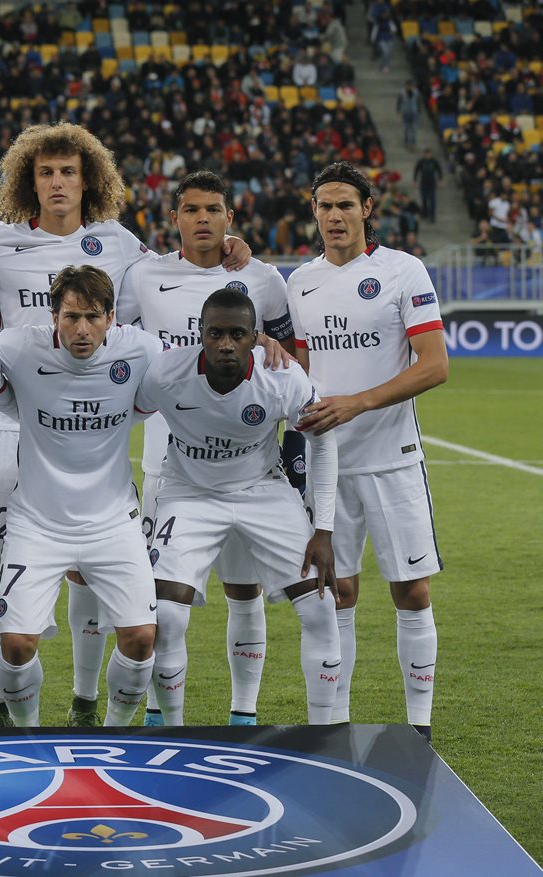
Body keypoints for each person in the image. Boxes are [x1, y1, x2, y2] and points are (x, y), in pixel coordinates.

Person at [0, 123, 250, 728]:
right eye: (46, 172)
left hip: (96, 424)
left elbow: (169, 294)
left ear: (88, 178)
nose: (58, 183)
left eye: (68, 171)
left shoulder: (120, 245)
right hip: (23, 424)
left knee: (91, 579)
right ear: (27, 180)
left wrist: (228, 251)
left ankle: (87, 700)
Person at [117, 170, 297, 727]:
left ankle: (243, 714)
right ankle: (157, 712)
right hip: (167, 463)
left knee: (243, 591)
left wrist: (267, 342)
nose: (203, 220)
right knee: (163, 600)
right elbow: (115, 339)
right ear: (174, 218)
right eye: (191, 210)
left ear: (229, 217)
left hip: (247, 462)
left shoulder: (263, 279)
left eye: (213, 209)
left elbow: (289, 362)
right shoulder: (145, 275)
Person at [289, 161, 448, 741]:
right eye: (325, 206)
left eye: (345, 206)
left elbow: (435, 366)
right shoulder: (300, 281)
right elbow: (302, 369)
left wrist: (357, 402)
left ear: (367, 209)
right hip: (327, 464)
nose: (335, 216)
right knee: (336, 591)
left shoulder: (403, 272)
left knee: (411, 589)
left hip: (393, 458)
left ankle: (419, 728)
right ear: (314, 213)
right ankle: (334, 728)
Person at [136, 289, 342, 725]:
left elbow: (322, 443)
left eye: (236, 334)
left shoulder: (283, 377)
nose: (225, 344)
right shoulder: (165, 374)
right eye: (215, 334)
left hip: (262, 490)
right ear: (201, 334)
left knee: (322, 607)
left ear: (255, 337)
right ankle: (169, 732)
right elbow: (117, 419)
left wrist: (322, 528)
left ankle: (325, 737)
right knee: (166, 617)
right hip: (187, 491)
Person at [0, 265, 166, 728]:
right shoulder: (18, 348)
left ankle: (112, 734)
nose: (81, 330)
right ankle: (29, 738)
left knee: (142, 637)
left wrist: (264, 342)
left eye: (92, 317)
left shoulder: (142, 350)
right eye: (70, 317)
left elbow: (198, 364)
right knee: (16, 646)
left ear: (112, 318)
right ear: (53, 317)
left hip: (113, 522)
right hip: (36, 523)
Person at [413, 149, 443, 223]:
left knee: (432, 200)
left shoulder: (434, 161)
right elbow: (416, 170)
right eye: (426, 154)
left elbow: (439, 170)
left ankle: (432, 216)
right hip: (423, 183)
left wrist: (440, 180)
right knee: (424, 199)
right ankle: (425, 213)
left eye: (429, 154)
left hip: (432, 183)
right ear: (424, 154)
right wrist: (414, 180)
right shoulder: (421, 161)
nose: (428, 155)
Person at [396, 82, 421, 149]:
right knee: (406, 127)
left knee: (414, 128)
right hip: (406, 112)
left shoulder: (416, 93)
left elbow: (418, 102)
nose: (409, 87)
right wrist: (398, 109)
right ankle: (406, 141)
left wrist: (419, 110)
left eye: (410, 86)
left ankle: (413, 142)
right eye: (408, 86)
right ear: (406, 86)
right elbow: (399, 101)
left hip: (414, 112)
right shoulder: (402, 93)